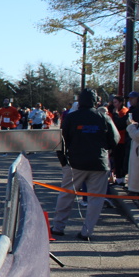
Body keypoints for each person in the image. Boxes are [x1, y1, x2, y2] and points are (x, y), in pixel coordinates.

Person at [49, 89, 120, 241]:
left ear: (79, 101)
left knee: (66, 194)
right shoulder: (103, 117)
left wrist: (63, 161)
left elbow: (61, 141)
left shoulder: (71, 117)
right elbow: (115, 139)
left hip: (75, 162)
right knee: (95, 199)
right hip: (99, 163)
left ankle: (58, 227)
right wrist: (104, 148)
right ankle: (87, 231)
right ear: (96, 101)